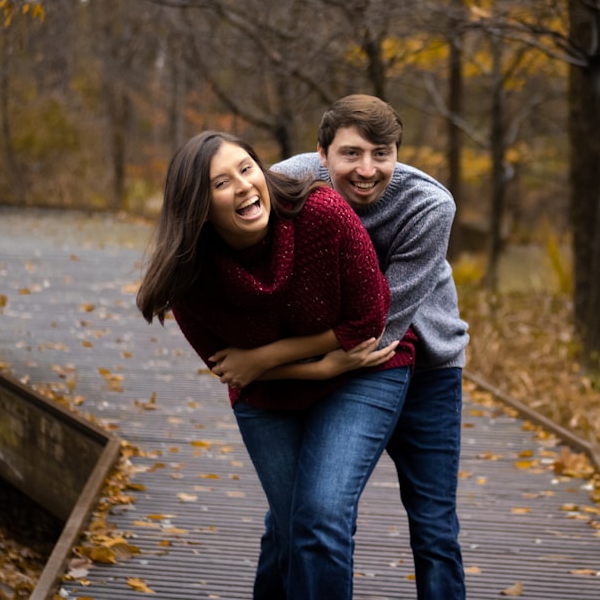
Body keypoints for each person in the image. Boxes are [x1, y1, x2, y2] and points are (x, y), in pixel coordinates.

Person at [135, 130, 416, 600]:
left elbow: (370, 318)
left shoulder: (321, 214)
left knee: (320, 518)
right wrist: (317, 366)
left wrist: (270, 357)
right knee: (292, 528)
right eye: (221, 183)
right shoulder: (191, 273)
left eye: (247, 169)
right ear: (198, 206)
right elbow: (227, 368)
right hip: (270, 394)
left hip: (365, 370)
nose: (244, 186)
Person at [273, 94, 469, 599]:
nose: (367, 169)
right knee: (300, 515)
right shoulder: (286, 184)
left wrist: (280, 363)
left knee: (435, 529)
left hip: (424, 368)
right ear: (321, 153)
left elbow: (381, 321)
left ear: (397, 153)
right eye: (352, 153)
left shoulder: (429, 205)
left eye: (382, 153)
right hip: (342, 367)